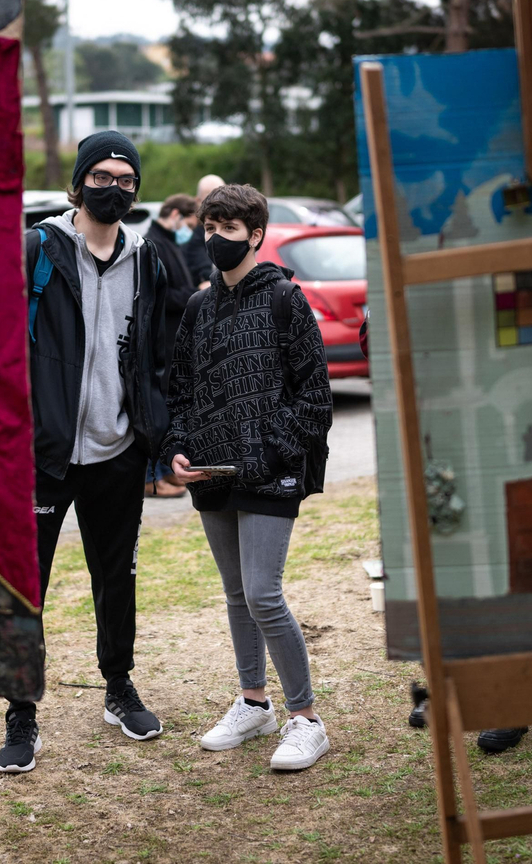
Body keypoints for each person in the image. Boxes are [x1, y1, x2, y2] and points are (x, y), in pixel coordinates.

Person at [0, 130, 171, 774]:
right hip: (42, 454)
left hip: (117, 451)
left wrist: (157, 433)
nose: (114, 189)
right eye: (101, 177)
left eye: (126, 180)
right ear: (78, 182)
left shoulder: (146, 259)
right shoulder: (37, 250)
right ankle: (21, 711)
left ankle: (118, 685)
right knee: (27, 587)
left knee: (116, 575)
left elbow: (158, 355)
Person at [165, 183, 335, 772]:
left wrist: (270, 451)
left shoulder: (287, 299)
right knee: (237, 593)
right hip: (213, 474)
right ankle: (253, 701)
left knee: (264, 592)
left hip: (272, 474)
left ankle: (306, 719)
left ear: (256, 234)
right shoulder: (197, 307)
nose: (215, 239)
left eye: (228, 229)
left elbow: (315, 399)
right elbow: (180, 390)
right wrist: (179, 447)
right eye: (209, 228)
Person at [141, 194, 201, 499]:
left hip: (173, 340)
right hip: (161, 341)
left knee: (167, 410)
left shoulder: (168, 243)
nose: (190, 230)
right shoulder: (153, 245)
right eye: (190, 223)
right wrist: (196, 292)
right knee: (157, 411)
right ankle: (152, 477)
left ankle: (164, 470)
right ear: (177, 214)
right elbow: (160, 297)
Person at [182, 173, 225, 286]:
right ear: (198, 201)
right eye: (210, 199)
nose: (217, 204)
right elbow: (204, 272)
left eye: (222, 197)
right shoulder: (193, 237)